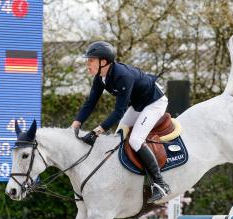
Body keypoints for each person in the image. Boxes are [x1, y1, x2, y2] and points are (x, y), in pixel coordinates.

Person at [71, 41, 171, 203]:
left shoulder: (122, 76)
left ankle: (160, 183)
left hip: (154, 103)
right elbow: (90, 103)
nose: (87, 63)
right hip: (139, 104)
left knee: (135, 140)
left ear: (103, 62)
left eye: (91, 60)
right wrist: (75, 124)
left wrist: (97, 131)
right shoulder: (100, 78)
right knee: (119, 136)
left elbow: (119, 111)